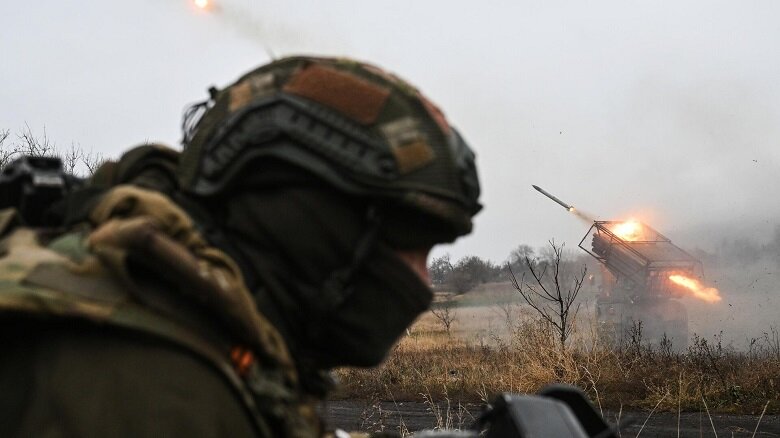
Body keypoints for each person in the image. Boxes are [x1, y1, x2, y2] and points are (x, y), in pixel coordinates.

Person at [0, 56, 481, 437]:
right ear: (308, 222)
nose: (421, 281)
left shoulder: (206, 333)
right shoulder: (146, 382)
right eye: (409, 245)